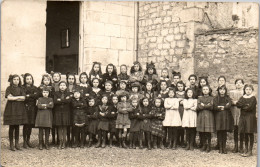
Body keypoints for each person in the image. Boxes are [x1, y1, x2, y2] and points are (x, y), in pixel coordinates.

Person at [4, 74, 28, 151]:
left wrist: (14, 97)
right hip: (11, 108)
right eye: (14, 79)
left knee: (17, 126)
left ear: (19, 80)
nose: (16, 81)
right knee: (12, 126)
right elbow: (9, 98)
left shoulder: (21, 88)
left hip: (19, 108)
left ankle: (17, 144)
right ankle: (11, 144)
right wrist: (18, 97)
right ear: (12, 80)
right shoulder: (9, 88)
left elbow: (23, 98)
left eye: (17, 79)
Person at [237, 84, 257, 157]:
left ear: (252, 90)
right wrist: (245, 105)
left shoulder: (253, 98)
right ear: (244, 90)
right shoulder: (242, 97)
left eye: (249, 89)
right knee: (245, 132)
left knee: (250, 133)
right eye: (246, 89)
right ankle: (245, 149)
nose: (248, 91)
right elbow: (238, 104)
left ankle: (250, 150)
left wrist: (244, 106)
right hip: (243, 117)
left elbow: (250, 107)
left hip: (250, 117)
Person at [213, 85, 233, 154]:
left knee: (224, 132)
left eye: (223, 89)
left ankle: (224, 147)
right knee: (219, 131)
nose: (222, 91)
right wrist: (224, 107)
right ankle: (220, 148)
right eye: (220, 89)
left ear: (225, 91)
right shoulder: (216, 98)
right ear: (218, 90)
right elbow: (215, 106)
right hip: (218, 116)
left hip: (225, 117)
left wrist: (221, 107)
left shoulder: (227, 98)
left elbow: (229, 105)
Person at [53, 81, 72, 149]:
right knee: (59, 127)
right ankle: (60, 141)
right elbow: (55, 101)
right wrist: (64, 100)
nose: (62, 86)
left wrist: (60, 100)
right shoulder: (56, 93)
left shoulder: (69, 93)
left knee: (65, 127)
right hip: (58, 112)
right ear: (59, 86)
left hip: (66, 112)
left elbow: (69, 101)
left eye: (64, 85)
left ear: (66, 86)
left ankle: (64, 141)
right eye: (61, 85)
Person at [22, 73, 38, 148]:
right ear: (25, 80)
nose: (29, 80)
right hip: (25, 107)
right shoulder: (22, 87)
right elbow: (24, 97)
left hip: (33, 108)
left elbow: (37, 95)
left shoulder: (35, 88)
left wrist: (30, 95)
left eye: (30, 79)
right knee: (26, 124)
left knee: (30, 124)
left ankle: (28, 140)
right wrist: (31, 96)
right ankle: (24, 141)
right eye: (27, 79)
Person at [197, 85, 215, 152]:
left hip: (209, 115)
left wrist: (203, 105)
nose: (205, 90)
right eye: (204, 89)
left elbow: (212, 107)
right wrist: (207, 105)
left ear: (209, 90)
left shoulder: (212, 98)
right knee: (202, 131)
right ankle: (204, 145)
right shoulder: (199, 98)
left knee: (208, 131)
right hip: (201, 115)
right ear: (202, 90)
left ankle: (209, 145)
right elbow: (198, 107)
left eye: (206, 89)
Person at [229, 79, 244, 153]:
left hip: (241, 112)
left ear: (242, 84)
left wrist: (237, 102)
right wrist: (236, 102)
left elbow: (243, 102)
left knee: (241, 130)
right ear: (235, 84)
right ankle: (236, 146)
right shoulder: (232, 92)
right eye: (237, 83)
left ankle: (241, 146)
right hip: (234, 112)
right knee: (235, 129)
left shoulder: (244, 92)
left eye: (240, 83)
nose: (238, 84)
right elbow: (230, 101)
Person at [175, 81, 186, 148]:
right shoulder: (175, 93)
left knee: (182, 126)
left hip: (183, 110)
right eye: (178, 86)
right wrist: (179, 101)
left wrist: (182, 101)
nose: (180, 88)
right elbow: (174, 101)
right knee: (177, 125)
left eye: (181, 86)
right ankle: (177, 141)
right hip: (177, 110)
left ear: (183, 86)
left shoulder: (185, 93)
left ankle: (182, 141)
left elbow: (186, 101)